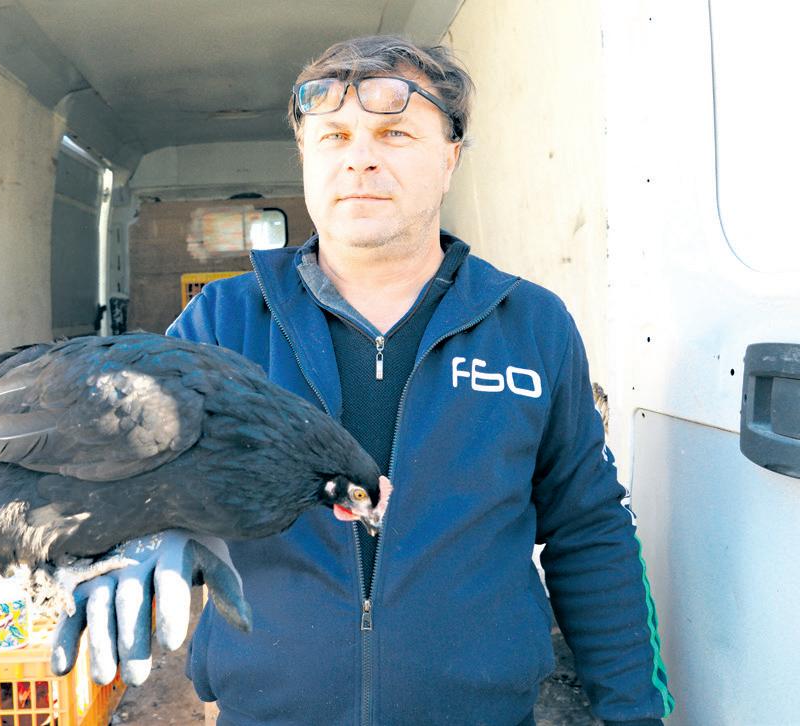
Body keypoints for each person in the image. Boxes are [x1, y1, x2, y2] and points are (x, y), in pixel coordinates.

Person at [51, 35, 674, 725]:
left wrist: (634, 712)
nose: (360, 157)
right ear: (307, 156)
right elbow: (129, 476)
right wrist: (128, 531)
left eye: (394, 133)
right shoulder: (222, 323)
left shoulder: (530, 325)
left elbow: (588, 527)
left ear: (450, 157)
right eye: (334, 136)